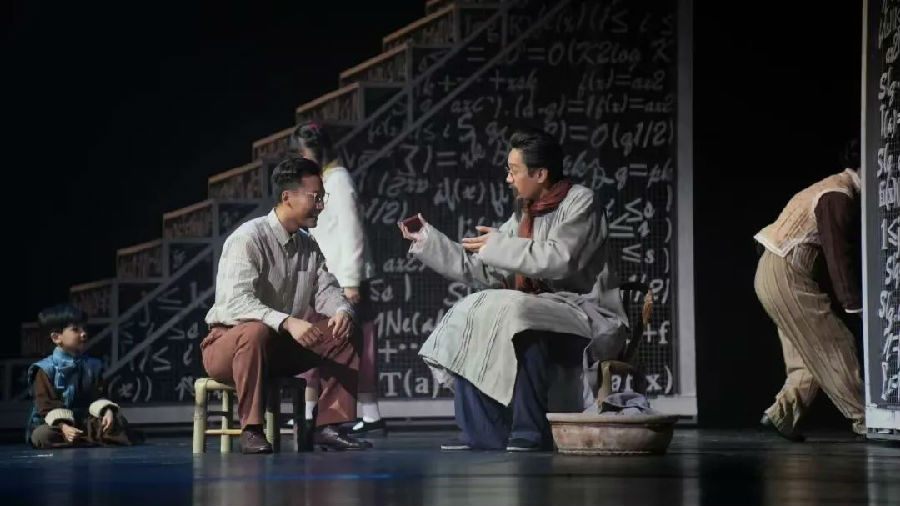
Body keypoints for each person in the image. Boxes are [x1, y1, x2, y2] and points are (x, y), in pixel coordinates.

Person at [399, 128, 629, 451]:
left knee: (521, 314)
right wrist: (429, 241)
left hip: (583, 311)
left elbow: (559, 258)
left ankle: (529, 430)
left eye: (514, 170)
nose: (508, 179)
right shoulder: (524, 213)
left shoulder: (581, 202)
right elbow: (483, 269)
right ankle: (481, 432)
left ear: (540, 174)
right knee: (471, 311)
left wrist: (499, 245)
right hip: (542, 310)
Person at [201, 155, 370, 453]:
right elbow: (236, 303)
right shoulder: (248, 238)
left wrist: (342, 310)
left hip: (277, 347)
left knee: (345, 330)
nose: (321, 205)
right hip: (228, 345)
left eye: (323, 197)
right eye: (315, 197)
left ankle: (329, 425)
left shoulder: (308, 244)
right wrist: (287, 321)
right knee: (255, 331)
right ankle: (251, 430)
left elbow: (327, 290)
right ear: (287, 197)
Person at [753, 139, 866, 441]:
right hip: (786, 273)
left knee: (807, 356)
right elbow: (838, 255)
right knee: (835, 344)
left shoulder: (832, 186)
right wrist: (854, 304)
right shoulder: (838, 194)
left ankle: (782, 414)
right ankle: (866, 417)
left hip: (773, 271)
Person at [290, 122, 385, 436]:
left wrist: (351, 281)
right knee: (316, 344)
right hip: (324, 279)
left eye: (304, 153)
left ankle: (367, 415)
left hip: (343, 280)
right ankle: (309, 412)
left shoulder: (339, 181)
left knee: (352, 346)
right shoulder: (321, 182)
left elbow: (351, 232)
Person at [26, 303, 141, 448]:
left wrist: (107, 411)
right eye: (75, 330)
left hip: (85, 421)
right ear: (56, 338)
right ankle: (83, 439)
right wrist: (64, 426)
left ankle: (80, 439)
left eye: (83, 329)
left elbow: (99, 395)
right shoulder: (44, 369)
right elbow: (46, 405)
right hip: (56, 425)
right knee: (42, 435)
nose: (83, 334)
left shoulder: (93, 365)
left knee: (117, 423)